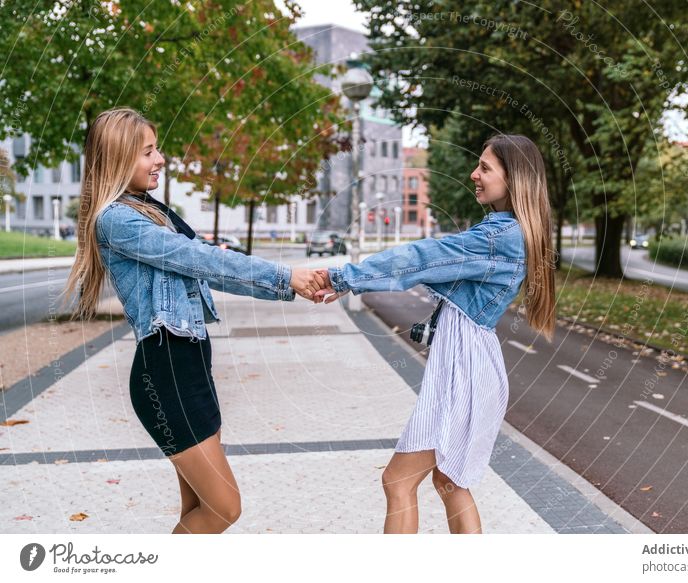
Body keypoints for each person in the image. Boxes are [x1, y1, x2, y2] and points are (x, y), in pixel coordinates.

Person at [64, 107, 326, 534]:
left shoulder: (149, 210)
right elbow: (200, 258)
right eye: (148, 152)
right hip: (165, 372)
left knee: (199, 509)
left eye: (157, 149)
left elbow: (212, 266)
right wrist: (286, 277)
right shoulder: (117, 220)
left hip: (189, 363)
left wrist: (289, 286)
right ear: (117, 158)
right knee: (224, 507)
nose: (161, 159)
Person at [315, 134, 556, 534]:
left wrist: (346, 277)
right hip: (471, 366)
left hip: (463, 373)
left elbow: (421, 259)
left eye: (485, 168)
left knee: (398, 480)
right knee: (449, 482)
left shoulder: (499, 238)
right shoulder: (507, 232)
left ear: (514, 179)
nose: (473, 174)